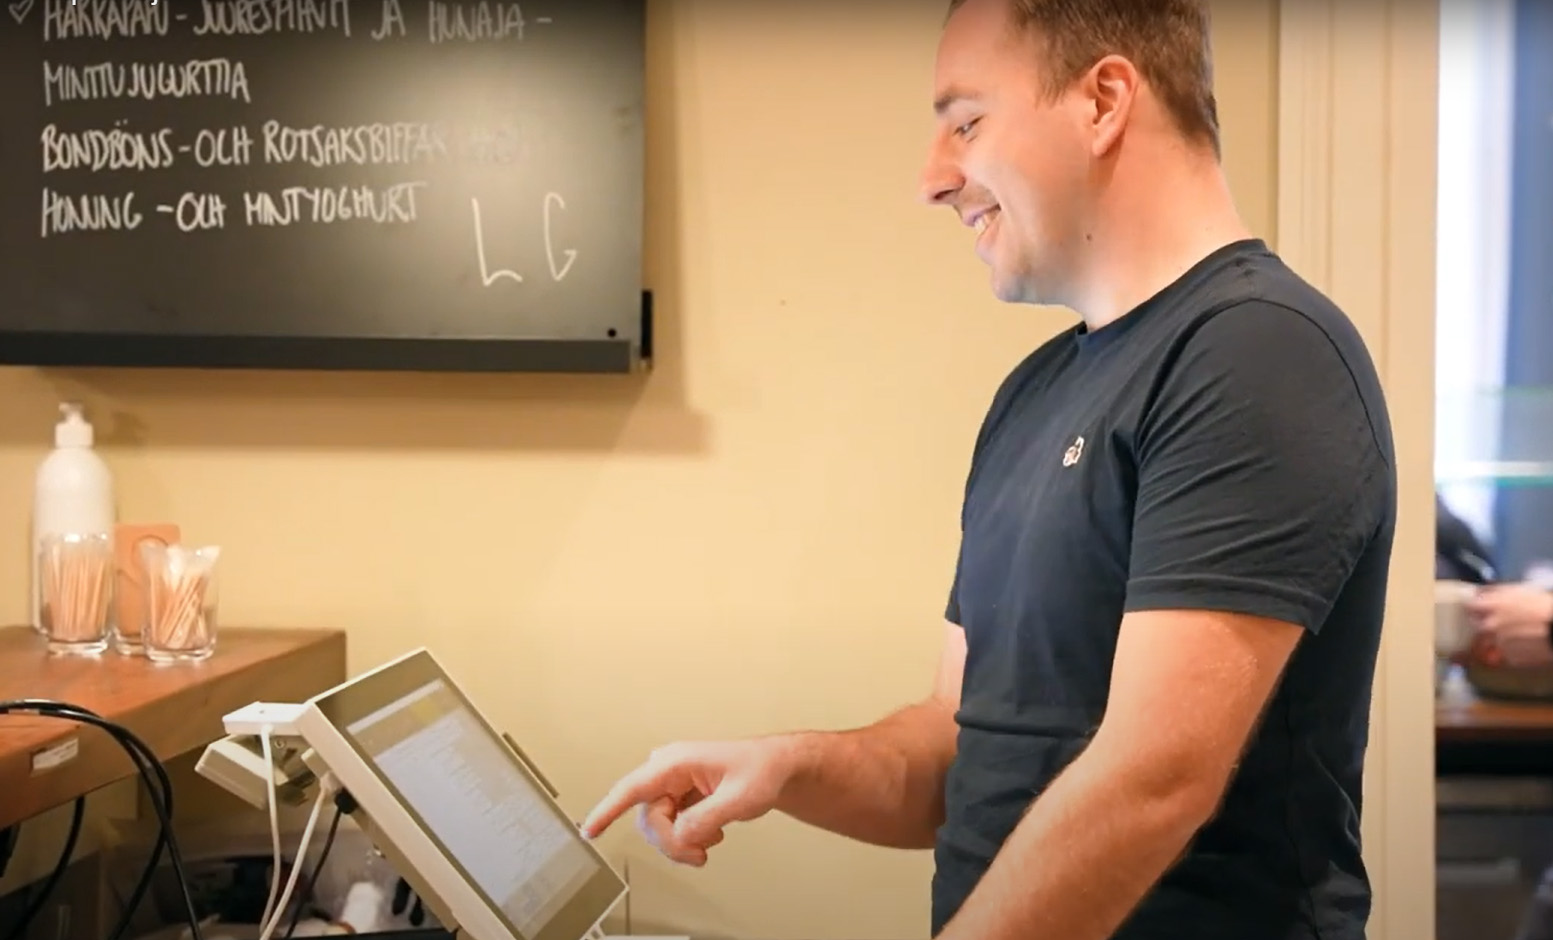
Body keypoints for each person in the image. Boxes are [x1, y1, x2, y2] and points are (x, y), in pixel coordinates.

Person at [581, 1, 1397, 938]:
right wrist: (787, 765)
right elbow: (959, 742)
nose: (932, 179)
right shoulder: (1036, 392)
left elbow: (1153, 779)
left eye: (965, 123)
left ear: (1102, 100)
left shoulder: (1256, 355)